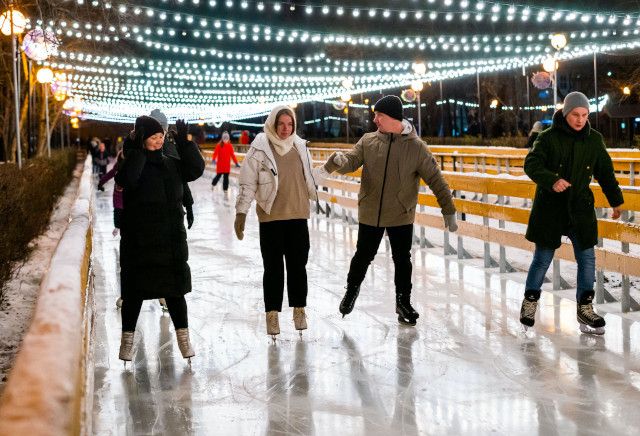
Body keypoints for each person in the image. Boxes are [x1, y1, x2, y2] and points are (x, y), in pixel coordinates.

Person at [323, 95, 457, 326]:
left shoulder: (417, 148)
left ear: (393, 118)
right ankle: (351, 292)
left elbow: (436, 179)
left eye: (379, 116)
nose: (375, 120)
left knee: (402, 259)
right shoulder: (368, 141)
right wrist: (338, 161)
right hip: (371, 211)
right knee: (363, 255)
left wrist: (449, 209)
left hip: (400, 213)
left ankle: (403, 301)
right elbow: (351, 163)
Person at [520, 91, 624, 335]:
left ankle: (585, 308)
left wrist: (615, 201)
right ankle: (530, 302)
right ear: (566, 113)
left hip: (580, 208)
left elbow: (605, 172)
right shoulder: (547, 138)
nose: (580, 120)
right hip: (551, 208)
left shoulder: (594, 140)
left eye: (585, 115)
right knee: (542, 258)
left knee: (587, 259)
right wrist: (551, 180)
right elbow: (531, 163)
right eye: (575, 115)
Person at [234, 105, 330, 339]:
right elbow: (248, 183)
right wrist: (241, 213)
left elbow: (309, 178)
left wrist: (329, 168)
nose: (286, 129)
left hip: (298, 215)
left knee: (298, 267)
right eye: (281, 124)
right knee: (273, 269)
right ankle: (272, 314)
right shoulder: (259, 148)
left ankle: (299, 309)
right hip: (272, 218)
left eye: (290, 124)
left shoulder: (300, 147)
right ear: (273, 124)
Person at [115, 115, 205, 364]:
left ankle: (184, 340)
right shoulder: (133, 161)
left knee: (176, 294)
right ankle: (127, 341)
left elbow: (195, 170)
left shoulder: (172, 163)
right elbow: (126, 180)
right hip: (140, 242)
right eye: (152, 137)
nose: (158, 141)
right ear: (143, 139)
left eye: (160, 137)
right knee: (134, 294)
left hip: (170, 241)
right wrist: (136, 152)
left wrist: (187, 143)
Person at [150, 109, 196, 229]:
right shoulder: (142, 152)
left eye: (163, 131)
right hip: (152, 216)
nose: (160, 136)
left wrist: (189, 206)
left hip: (175, 213)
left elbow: (181, 179)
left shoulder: (171, 149)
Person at [211, 131, 240, 199]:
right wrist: (213, 159)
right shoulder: (219, 145)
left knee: (226, 178)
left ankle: (225, 189)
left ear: (228, 138)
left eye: (227, 138)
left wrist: (236, 163)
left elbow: (232, 155)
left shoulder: (230, 146)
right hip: (220, 165)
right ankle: (213, 184)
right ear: (222, 138)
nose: (226, 140)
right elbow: (215, 153)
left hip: (227, 165)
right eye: (224, 138)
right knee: (218, 176)